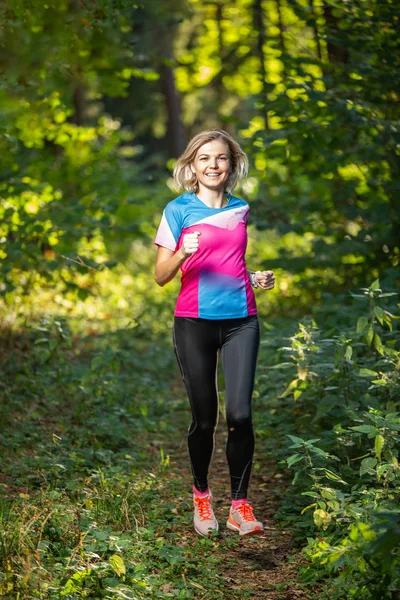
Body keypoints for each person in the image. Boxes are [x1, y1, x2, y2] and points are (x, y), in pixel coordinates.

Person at [154, 129, 275, 537]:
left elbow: (229, 258)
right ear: (192, 165)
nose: (213, 165)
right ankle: (202, 497)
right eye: (204, 158)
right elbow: (160, 276)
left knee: (240, 415)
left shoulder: (241, 208)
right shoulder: (177, 210)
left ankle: (240, 505)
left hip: (242, 318)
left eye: (221, 158)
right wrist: (181, 253)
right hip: (193, 321)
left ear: (231, 164)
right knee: (204, 420)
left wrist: (253, 275)